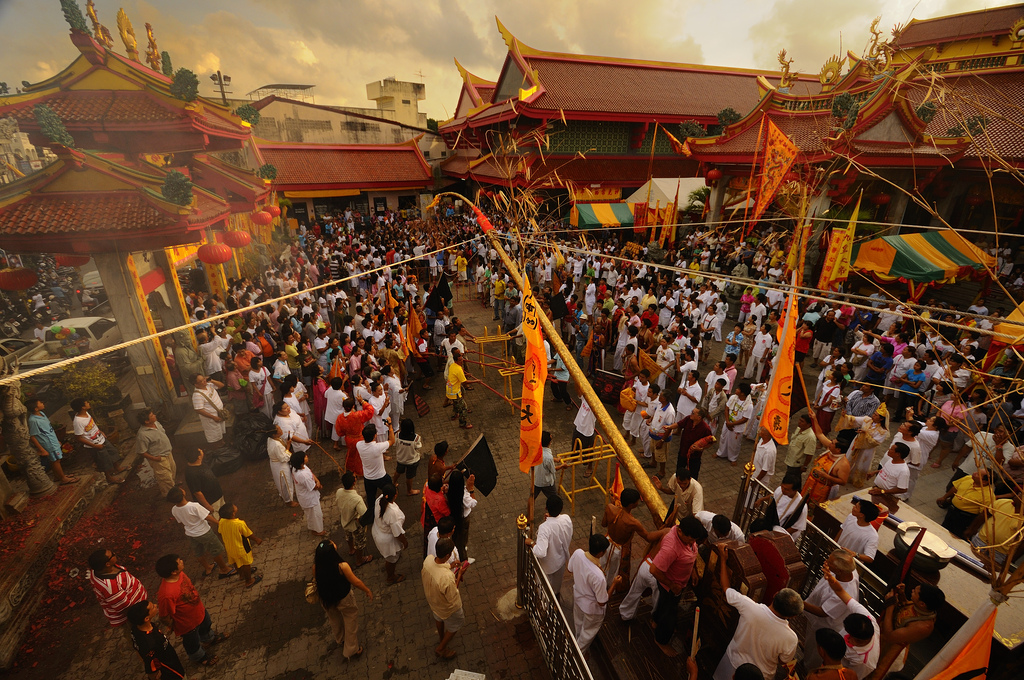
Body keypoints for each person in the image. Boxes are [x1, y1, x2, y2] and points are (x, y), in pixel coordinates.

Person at [713, 542, 802, 680]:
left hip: (733, 663)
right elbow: (783, 661)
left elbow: (726, 589)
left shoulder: (749, 607)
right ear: (794, 616)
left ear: (774, 595)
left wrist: (723, 560)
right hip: (762, 675)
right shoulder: (791, 638)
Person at [155, 554, 227, 667]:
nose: (182, 561)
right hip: (187, 624)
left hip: (199, 611)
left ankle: (209, 639)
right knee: (192, 642)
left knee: (206, 624)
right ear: (173, 571)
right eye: (179, 561)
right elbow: (164, 615)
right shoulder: (166, 594)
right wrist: (173, 625)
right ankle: (199, 657)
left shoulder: (181, 574)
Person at [651, 516, 708, 656]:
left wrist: (693, 571)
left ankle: (655, 620)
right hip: (670, 585)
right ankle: (661, 640)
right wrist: (672, 585)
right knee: (670, 614)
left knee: (664, 605)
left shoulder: (687, 538)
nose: (693, 542)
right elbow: (654, 569)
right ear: (681, 532)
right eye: (691, 539)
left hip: (679, 583)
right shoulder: (671, 548)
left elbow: (692, 552)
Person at [869, 584, 945, 680]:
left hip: (890, 648)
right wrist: (901, 595)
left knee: (875, 673)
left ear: (922, 604)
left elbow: (890, 637)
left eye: (915, 592)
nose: (912, 590)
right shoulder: (921, 607)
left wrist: (889, 606)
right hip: (882, 636)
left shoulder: (924, 626)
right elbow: (905, 608)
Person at [313, 539, 372, 661]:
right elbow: (355, 581)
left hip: (327, 600)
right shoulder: (342, 566)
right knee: (350, 620)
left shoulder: (316, 567)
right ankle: (351, 649)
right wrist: (367, 590)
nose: (334, 543)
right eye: (332, 544)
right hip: (344, 598)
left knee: (334, 619)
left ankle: (340, 639)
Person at [801, 550, 860, 669]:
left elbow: (822, 612)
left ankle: (808, 669)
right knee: (810, 642)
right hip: (816, 616)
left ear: (839, 570)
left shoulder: (845, 593)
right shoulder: (847, 571)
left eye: (830, 562)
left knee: (816, 650)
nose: (826, 562)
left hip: (825, 625)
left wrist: (799, 602)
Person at [601, 488, 669, 589]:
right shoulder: (633, 522)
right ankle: (611, 589)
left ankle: (600, 584)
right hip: (619, 551)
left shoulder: (610, 508)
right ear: (632, 505)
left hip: (606, 543)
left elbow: (603, 524)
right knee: (614, 572)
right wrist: (664, 531)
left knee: (603, 566)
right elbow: (648, 537)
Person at [566, 534, 622, 655]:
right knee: (588, 633)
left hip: (578, 599)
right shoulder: (598, 576)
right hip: (592, 609)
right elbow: (602, 602)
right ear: (601, 553)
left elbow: (569, 569)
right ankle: (577, 655)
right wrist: (614, 584)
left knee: (579, 624)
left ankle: (578, 645)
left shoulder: (578, 553)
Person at [166, 486, 235, 578]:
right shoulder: (194, 506)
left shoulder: (174, 509)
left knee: (198, 552)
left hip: (190, 533)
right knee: (215, 550)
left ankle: (207, 568)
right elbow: (207, 516)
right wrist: (219, 523)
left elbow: (180, 521)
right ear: (183, 494)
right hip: (204, 532)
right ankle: (224, 569)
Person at [422, 537, 470, 659]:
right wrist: (459, 574)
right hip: (447, 607)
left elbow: (438, 567)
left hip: (433, 601)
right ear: (448, 555)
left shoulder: (428, 560)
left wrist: (450, 566)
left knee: (438, 618)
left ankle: (441, 637)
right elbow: (453, 594)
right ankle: (441, 648)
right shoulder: (447, 577)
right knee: (457, 624)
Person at [87, 548, 148, 635]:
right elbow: (125, 607)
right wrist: (140, 616)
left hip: (138, 604)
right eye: (112, 555)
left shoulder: (98, 570)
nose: (114, 554)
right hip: (134, 615)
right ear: (107, 564)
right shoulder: (111, 588)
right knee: (140, 635)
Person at [525, 493, 574, 596]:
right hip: (561, 561)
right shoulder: (566, 519)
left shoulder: (545, 528)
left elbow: (540, 552)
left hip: (548, 566)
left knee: (544, 593)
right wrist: (550, 520)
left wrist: (532, 543)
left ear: (546, 508)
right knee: (556, 590)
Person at [70, 397, 126, 484]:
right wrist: (95, 446)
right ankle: (109, 478)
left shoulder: (87, 413)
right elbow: (79, 438)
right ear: (83, 407)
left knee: (112, 452)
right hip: (94, 445)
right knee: (103, 462)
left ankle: (117, 468)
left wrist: (100, 431)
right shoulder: (78, 421)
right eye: (86, 402)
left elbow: (92, 425)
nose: (88, 403)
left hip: (101, 438)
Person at [125, 601, 186, 680]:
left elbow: (137, 649)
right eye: (152, 607)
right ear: (146, 618)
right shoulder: (149, 643)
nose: (156, 605)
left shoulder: (135, 629)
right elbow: (150, 667)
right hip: (170, 670)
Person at [27, 398, 77, 485]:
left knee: (55, 460)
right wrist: (42, 449)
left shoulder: (42, 414)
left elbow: (48, 429)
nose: (43, 403)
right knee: (56, 460)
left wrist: (56, 440)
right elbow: (32, 436)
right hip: (48, 444)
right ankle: (63, 478)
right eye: (40, 403)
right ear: (36, 408)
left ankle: (57, 476)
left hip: (53, 441)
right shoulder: (33, 421)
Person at [357, 420, 396, 525]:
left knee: (370, 498)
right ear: (375, 435)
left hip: (368, 478)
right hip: (381, 476)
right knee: (389, 491)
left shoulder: (359, 445)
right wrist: (390, 427)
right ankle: (388, 507)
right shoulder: (377, 447)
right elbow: (392, 440)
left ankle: (371, 516)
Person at [216, 501, 263, 589]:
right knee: (246, 564)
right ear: (233, 513)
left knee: (236, 562)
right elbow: (248, 534)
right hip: (241, 548)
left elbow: (220, 532)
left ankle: (241, 575)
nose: (234, 505)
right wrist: (257, 539)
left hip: (230, 547)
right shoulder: (239, 524)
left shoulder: (222, 521)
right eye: (233, 506)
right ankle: (249, 581)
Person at [936, 469, 994, 538]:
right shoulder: (968, 478)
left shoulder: (988, 496)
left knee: (955, 537)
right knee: (943, 530)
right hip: (952, 511)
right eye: (976, 471)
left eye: (978, 474)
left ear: (985, 482)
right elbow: (955, 488)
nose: (974, 473)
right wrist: (944, 497)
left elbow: (983, 515)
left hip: (964, 518)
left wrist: (971, 529)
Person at [134, 409, 176, 496]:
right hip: (158, 458)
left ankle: (173, 488)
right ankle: (169, 495)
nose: (154, 416)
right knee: (165, 478)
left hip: (168, 453)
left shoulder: (156, 423)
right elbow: (141, 451)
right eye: (152, 416)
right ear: (146, 421)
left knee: (172, 472)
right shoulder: (142, 435)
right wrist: (155, 458)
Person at [371, 483, 408, 585]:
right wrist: (405, 542)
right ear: (395, 496)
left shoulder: (380, 499)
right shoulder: (392, 513)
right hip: (387, 541)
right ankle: (391, 577)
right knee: (391, 560)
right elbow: (397, 533)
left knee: (391, 558)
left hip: (378, 531)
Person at [336, 471, 372, 566]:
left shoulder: (339, 492)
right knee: (360, 544)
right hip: (355, 525)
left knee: (348, 536)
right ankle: (359, 560)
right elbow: (364, 514)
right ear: (354, 482)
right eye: (355, 477)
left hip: (345, 520)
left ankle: (351, 550)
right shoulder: (357, 499)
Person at [672, 406, 714, 480]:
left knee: (693, 477)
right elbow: (679, 424)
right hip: (682, 452)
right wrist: (669, 427)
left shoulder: (705, 428)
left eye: (693, 413)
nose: (691, 414)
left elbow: (711, 442)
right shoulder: (688, 419)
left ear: (699, 417)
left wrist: (701, 448)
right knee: (679, 472)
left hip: (694, 457)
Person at [867, 442, 910, 513]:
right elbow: (885, 469)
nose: (888, 450)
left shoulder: (903, 471)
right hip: (877, 491)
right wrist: (875, 472)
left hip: (887, 497)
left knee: (878, 514)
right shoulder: (891, 460)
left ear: (898, 454)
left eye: (891, 449)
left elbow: (903, 489)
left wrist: (882, 491)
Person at [290, 450, 325, 536]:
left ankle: (314, 527)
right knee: (315, 514)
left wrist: (317, 480)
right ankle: (318, 530)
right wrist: (319, 485)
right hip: (309, 498)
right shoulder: (303, 475)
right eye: (305, 457)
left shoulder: (297, 468)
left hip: (305, 496)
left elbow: (311, 474)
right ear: (301, 462)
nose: (306, 457)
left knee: (311, 514)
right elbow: (313, 487)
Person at [835, 499, 880, 564]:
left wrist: (855, 554)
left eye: (856, 507)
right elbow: (842, 529)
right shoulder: (851, 517)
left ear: (861, 515)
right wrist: (834, 543)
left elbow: (870, 558)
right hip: (836, 554)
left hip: (847, 564)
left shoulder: (872, 536)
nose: (853, 507)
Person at [717, 383, 753, 465]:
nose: (736, 390)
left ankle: (733, 458)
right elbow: (726, 409)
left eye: (738, 389)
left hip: (737, 427)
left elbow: (745, 419)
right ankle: (721, 453)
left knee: (734, 443)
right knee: (723, 438)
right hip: (727, 423)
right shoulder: (733, 397)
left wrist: (732, 424)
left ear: (743, 393)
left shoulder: (749, 405)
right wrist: (728, 422)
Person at [183, 448, 224, 518]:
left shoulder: (200, 463)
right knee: (215, 519)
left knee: (223, 513)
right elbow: (197, 492)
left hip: (218, 496)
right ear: (198, 456)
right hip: (211, 501)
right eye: (200, 451)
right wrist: (207, 506)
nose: (202, 450)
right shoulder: (191, 474)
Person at [191, 375, 228, 447]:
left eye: (204, 379)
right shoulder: (197, 395)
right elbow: (198, 410)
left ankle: (223, 445)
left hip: (219, 414)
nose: (204, 381)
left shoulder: (209, 385)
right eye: (201, 381)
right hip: (211, 419)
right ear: (196, 384)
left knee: (221, 433)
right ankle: (218, 450)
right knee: (215, 437)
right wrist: (213, 417)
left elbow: (221, 386)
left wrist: (212, 380)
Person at [446, 348, 478, 429]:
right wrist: (476, 381)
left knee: (458, 399)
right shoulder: (458, 369)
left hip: (451, 388)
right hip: (455, 391)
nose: (462, 361)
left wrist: (467, 375)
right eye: (460, 360)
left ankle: (455, 414)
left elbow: (458, 377)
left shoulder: (453, 365)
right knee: (464, 408)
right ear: (456, 360)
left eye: (462, 359)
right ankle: (462, 423)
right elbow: (465, 382)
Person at [267, 425, 298, 507]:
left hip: (276, 463)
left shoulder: (271, 439)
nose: (281, 430)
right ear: (274, 434)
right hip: (280, 465)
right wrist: (288, 446)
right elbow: (283, 458)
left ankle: (284, 496)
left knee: (281, 481)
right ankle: (288, 501)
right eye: (279, 429)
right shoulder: (276, 444)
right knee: (285, 482)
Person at [392, 418, 423, 497]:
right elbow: (418, 447)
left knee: (398, 471)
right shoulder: (416, 438)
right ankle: (409, 490)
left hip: (400, 459)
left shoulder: (397, 435)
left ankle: (393, 483)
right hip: (412, 461)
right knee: (409, 476)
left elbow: (394, 444)